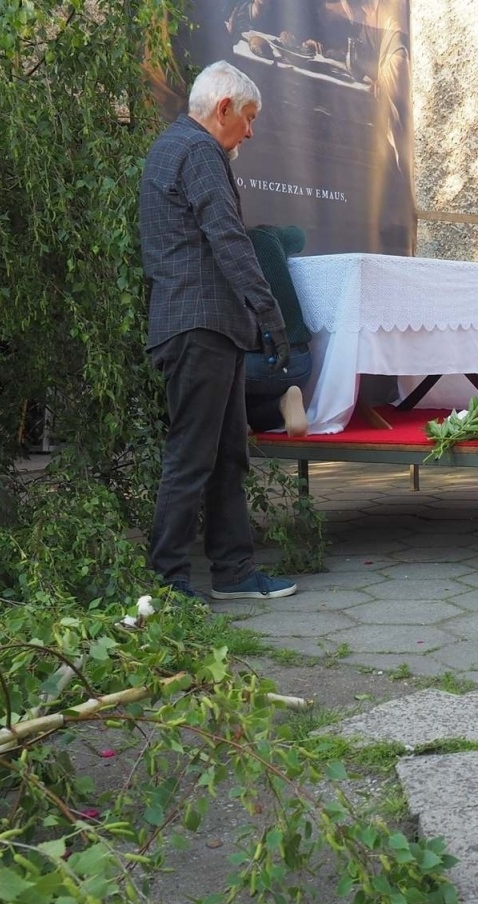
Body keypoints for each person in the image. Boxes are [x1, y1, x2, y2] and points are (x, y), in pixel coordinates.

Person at [139, 60, 298, 601]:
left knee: (227, 452)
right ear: (224, 108)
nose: (250, 132)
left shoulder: (175, 146)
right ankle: (168, 583)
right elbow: (230, 239)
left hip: (203, 324)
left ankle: (233, 572)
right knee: (192, 454)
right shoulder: (200, 151)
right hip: (198, 323)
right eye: (248, 118)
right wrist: (272, 317)